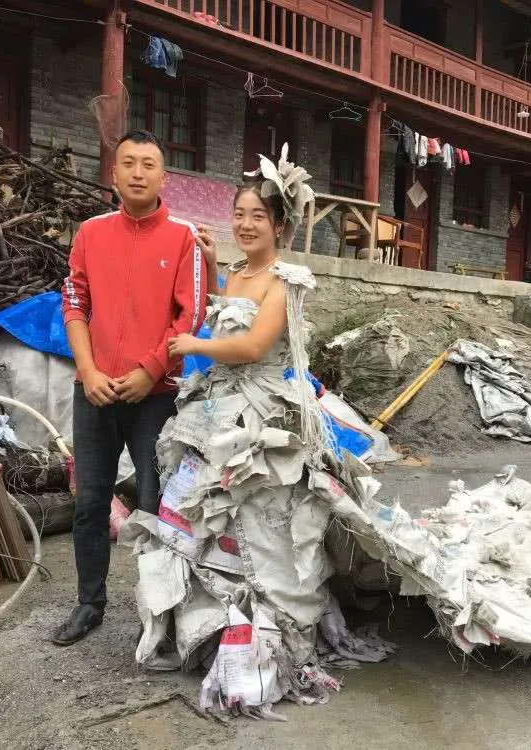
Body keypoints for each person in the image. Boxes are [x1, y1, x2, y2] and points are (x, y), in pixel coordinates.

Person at [120, 145, 391, 716]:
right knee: (199, 512)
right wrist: (214, 262)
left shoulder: (286, 279)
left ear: (281, 224)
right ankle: (207, 625)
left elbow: (251, 345)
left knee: (261, 521)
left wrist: (194, 345)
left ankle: (261, 638)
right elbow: (225, 310)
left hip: (260, 411)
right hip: (215, 408)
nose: (245, 224)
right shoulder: (239, 272)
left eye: (257, 217)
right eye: (238, 214)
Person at [53, 130, 209, 646]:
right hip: (94, 390)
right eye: (128, 163)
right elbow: (75, 302)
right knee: (90, 501)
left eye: (149, 164)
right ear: (113, 174)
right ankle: (89, 602)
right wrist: (89, 370)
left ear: (165, 177)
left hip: (155, 394)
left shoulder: (183, 237)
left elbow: (192, 313)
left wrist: (149, 369)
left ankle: (160, 611)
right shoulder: (91, 233)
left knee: (155, 500)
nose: (138, 172)